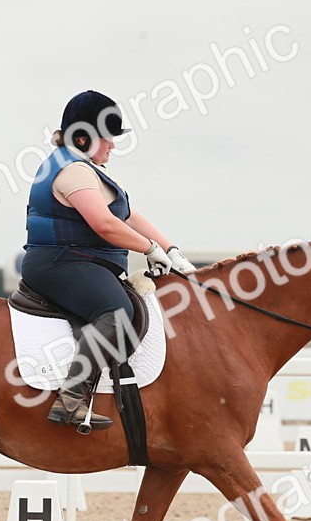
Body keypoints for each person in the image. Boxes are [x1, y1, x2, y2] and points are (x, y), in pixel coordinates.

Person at [22, 89, 196, 431]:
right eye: (107, 139)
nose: (112, 146)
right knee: (116, 313)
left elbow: (127, 216)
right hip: (61, 262)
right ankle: (71, 399)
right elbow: (104, 224)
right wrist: (148, 249)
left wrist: (172, 251)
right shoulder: (73, 171)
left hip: (78, 261)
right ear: (83, 136)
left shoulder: (87, 168)